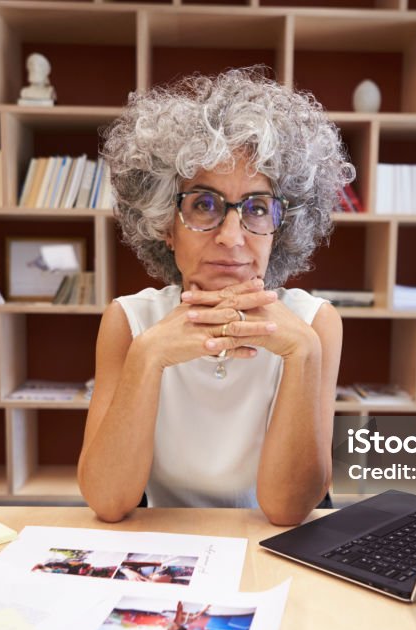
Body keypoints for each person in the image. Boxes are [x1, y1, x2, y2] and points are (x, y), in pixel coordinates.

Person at [78, 66, 354, 525]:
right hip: (168, 554)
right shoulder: (130, 321)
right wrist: (148, 355)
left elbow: (288, 512)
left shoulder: (316, 324)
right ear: (166, 224)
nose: (231, 237)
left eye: (257, 208)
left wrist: (303, 352)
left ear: (280, 229)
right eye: (204, 205)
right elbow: (108, 501)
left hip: (274, 558)